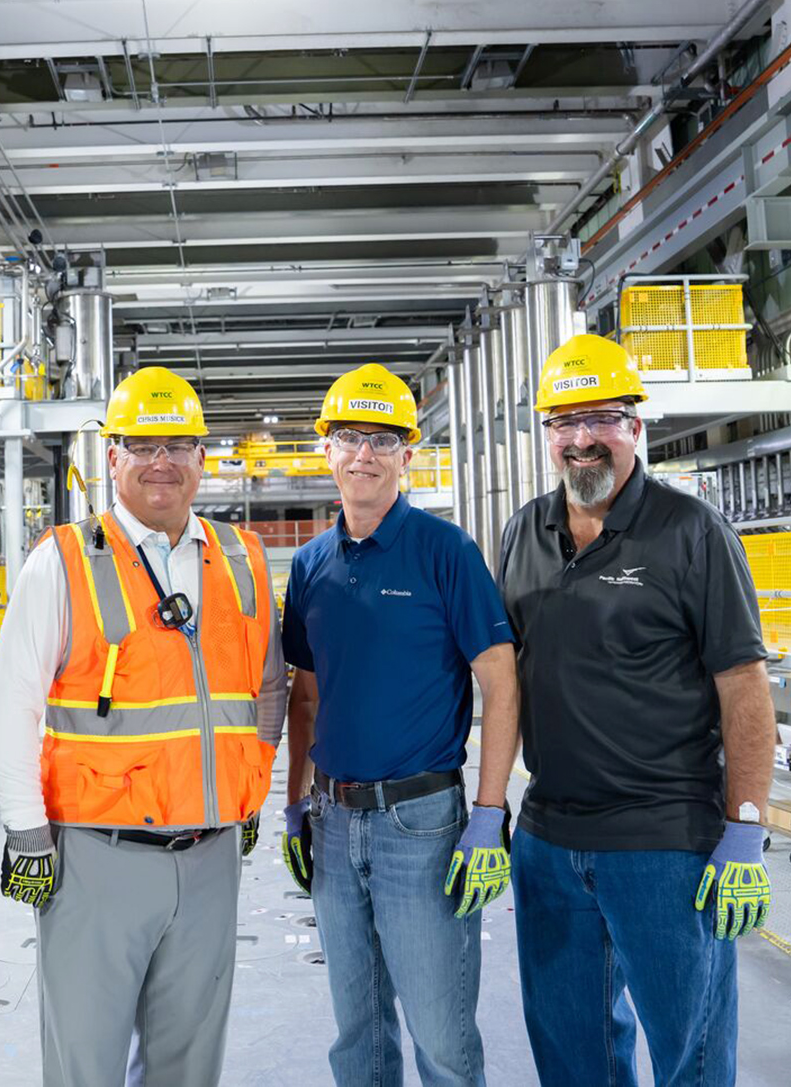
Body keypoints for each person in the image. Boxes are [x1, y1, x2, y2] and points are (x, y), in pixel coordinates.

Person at [0, 365, 287, 1087]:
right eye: (141, 445)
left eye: (178, 445)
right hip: (98, 859)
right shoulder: (62, 562)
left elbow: (269, 687)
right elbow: (11, 702)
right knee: (86, 1063)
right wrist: (28, 833)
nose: (162, 462)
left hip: (211, 856)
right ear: (112, 457)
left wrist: (246, 790)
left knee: (190, 1065)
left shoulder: (242, 558)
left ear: (202, 458)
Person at [496, 334, 776, 1087]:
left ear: (635, 429)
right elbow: (502, 678)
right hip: (549, 841)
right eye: (564, 422)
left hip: (664, 845)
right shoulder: (524, 532)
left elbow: (743, 683)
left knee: (690, 1055)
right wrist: (488, 809)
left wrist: (747, 826)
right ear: (547, 433)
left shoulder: (691, 532)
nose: (582, 440)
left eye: (602, 420)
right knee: (572, 1057)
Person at [281, 363, 518, 1087]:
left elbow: (502, 684)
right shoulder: (311, 565)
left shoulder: (446, 552)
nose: (365, 455)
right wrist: (293, 805)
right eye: (349, 438)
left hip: (422, 823)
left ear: (408, 455)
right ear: (325, 449)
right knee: (358, 1038)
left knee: (441, 1036)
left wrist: (487, 815)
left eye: (383, 440)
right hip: (332, 818)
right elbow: (305, 696)